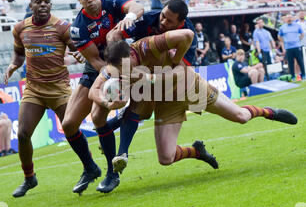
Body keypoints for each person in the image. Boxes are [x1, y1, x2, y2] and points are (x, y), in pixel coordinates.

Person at [89, 32, 297, 178]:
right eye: (119, 71)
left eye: (126, 68)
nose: (123, 73)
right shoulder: (116, 67)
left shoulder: (146, 46)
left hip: (189, 87)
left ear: (132, 56)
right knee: (165, 158)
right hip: (167, 103)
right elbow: (93, 91)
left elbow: (186, 39)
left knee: (241, 117)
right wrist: (108, 101)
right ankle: (198, 152)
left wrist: (155, 75)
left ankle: (269, 112)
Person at [94, 0, 198, 192]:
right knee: (121, 111)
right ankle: (117, 160)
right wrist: (120, 60)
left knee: (143, 113)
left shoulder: (188, 37)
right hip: (132, 65)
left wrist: (155, 77)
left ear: (180, 23)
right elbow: (114, 35)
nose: (163, 22)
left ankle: (111, 129)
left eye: (169, 21)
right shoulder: (149, 20)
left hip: (161, 77)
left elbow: (181, 68)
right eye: (163, 16)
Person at [61, 0, 144, 195]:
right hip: (97, 68)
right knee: (68, 124)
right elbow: (97, 63)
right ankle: (90, 168)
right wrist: (110, 84)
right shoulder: (78, 28)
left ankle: (112, 173)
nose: (89, 0)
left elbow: (137, 6)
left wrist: (131, 16)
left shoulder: (112, 3)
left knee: (98, 117)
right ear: (78, 0)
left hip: (121, 62)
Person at [3, 0, 79, 197]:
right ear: (31, 5)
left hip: (59, 88)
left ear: (51, 5)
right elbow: (19, 53)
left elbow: (77, 48)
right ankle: (29, 178)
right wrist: (12, 65)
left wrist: (78, 55)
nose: (43, 4)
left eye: (47, 1)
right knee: (23, 133)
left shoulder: (62, 27)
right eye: (39, 1)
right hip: (34, 89)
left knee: (72, 130)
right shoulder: (20, 28)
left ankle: (89, 168)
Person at [278, 14, 305, 81]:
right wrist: (284, 41)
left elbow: (302, 34)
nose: (289, 19)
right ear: (286, 19)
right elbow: (279, 36)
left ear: (292, 18)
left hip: (296, 46)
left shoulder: (297, 25)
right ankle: (292, 76)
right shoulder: (283, 27)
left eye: (290, 18)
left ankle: (304, 75)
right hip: (288, 47)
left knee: (300, 61)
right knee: (290, 63)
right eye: (288, 18)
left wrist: (299, 40)